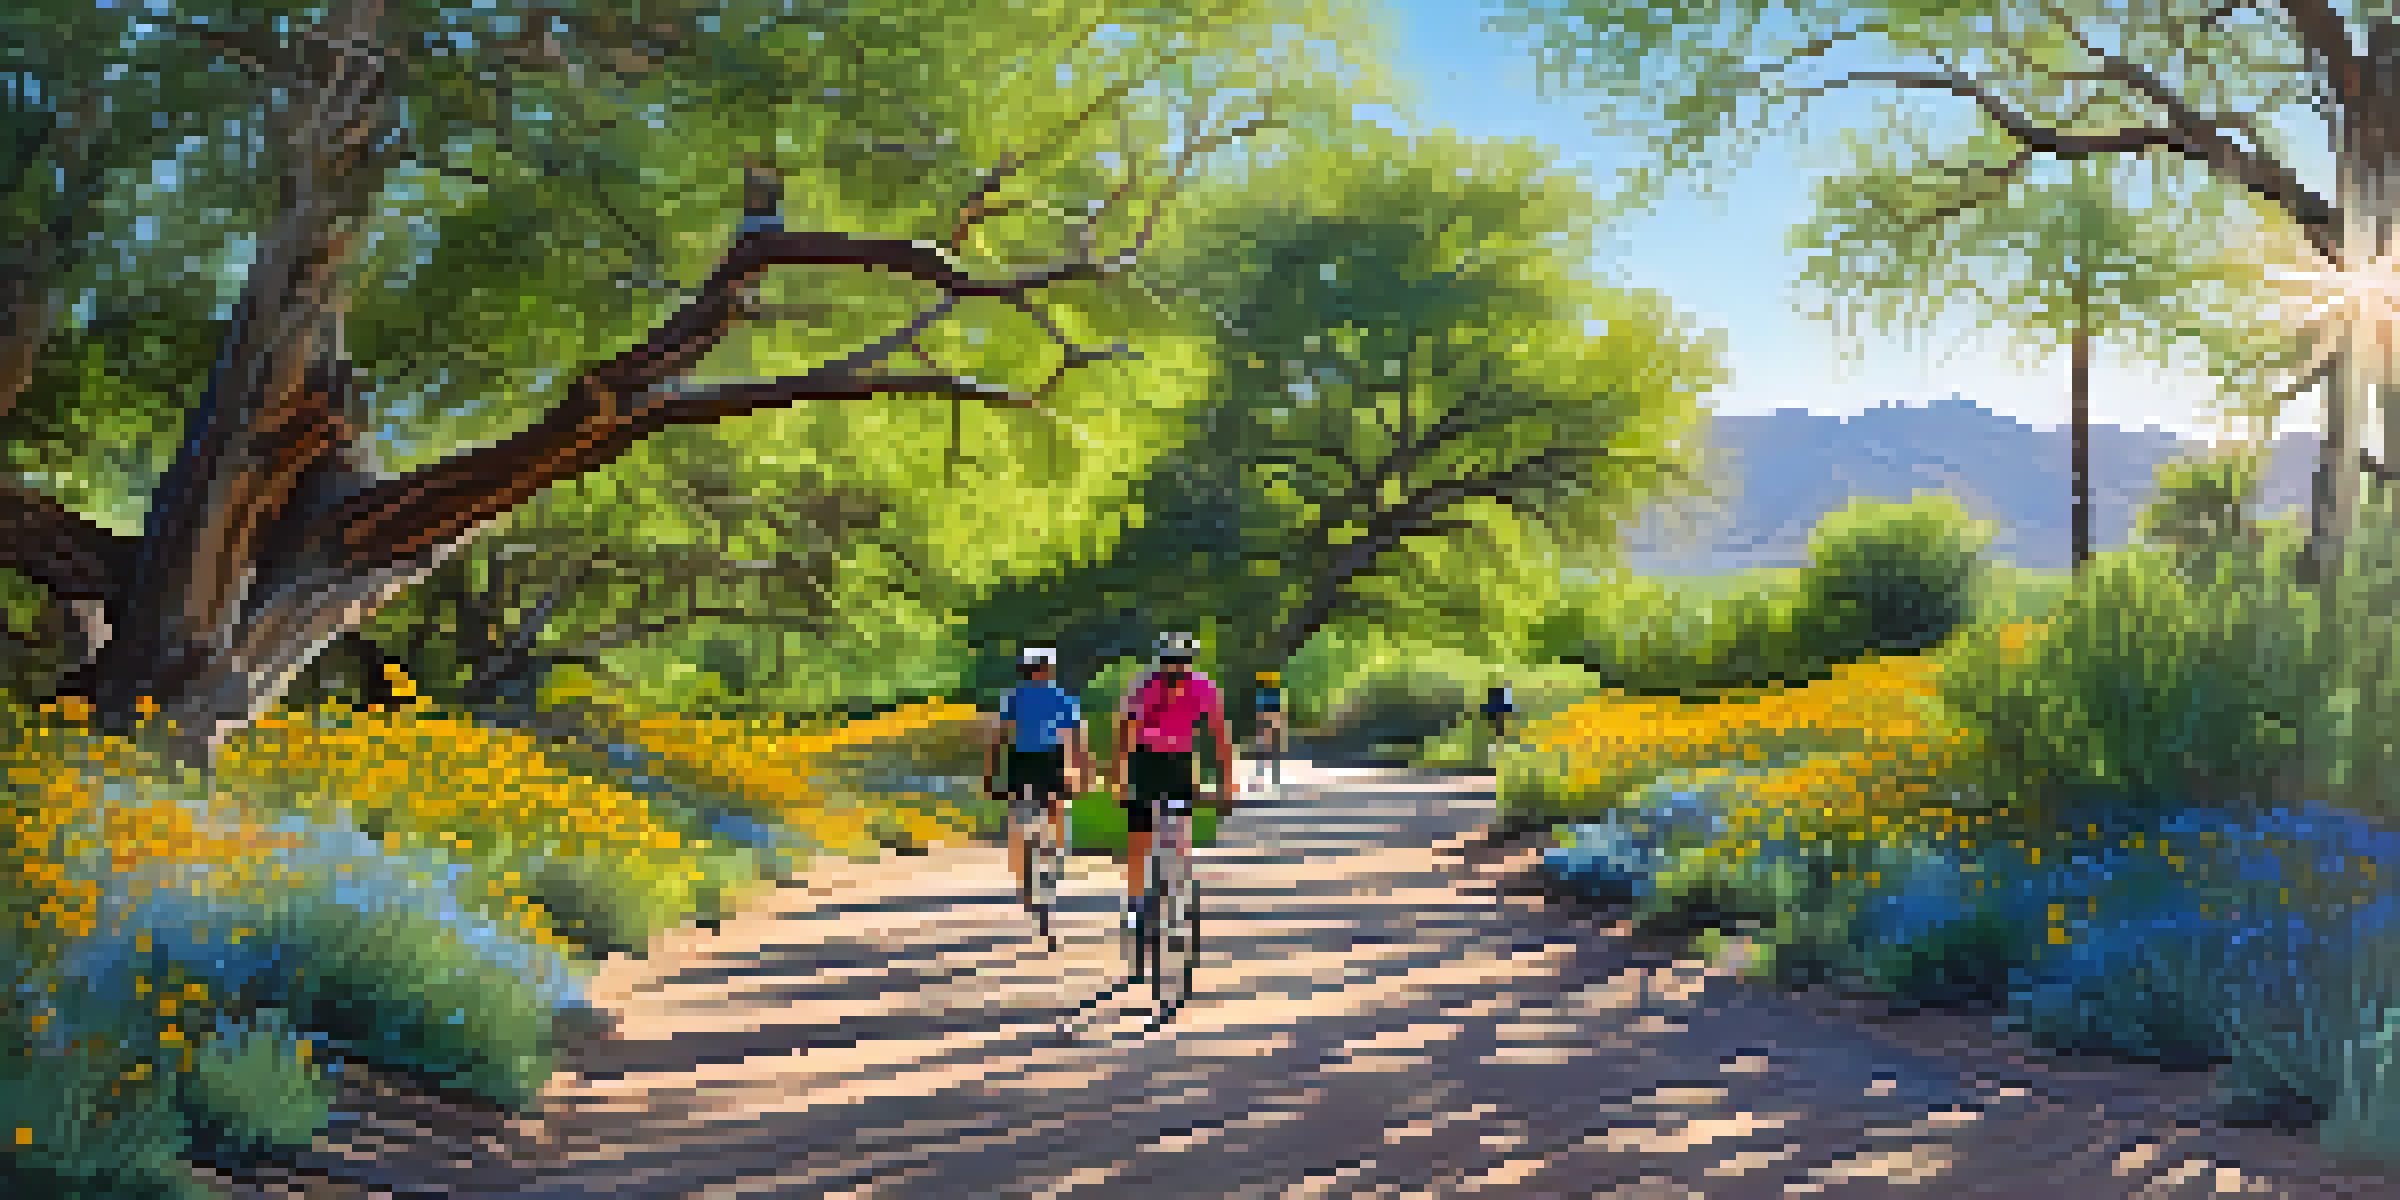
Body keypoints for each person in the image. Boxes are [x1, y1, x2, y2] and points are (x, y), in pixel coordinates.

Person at [1112, 632, 1236, 929]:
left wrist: (1227, 784)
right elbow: (1125, 732)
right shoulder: (1143, 685)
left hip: (1180, 762)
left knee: (1180, 832)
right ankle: (1135, 901)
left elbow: (1220, 735)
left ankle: (1177, 893)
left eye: (1181, 663)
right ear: (1160, 662)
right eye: (1169, 662)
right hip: (1145, 760)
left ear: (1190, 663)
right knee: (1139, 835)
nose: (1175, 669)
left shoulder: (1203, 687)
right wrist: (1120, 778)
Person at [984, 647, 1094, 900]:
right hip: (1040, 757)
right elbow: (1077, 739)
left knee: (1032, 810)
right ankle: (1049, 856)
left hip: (1030, 758)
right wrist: (1083, 771)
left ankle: (1042, 860)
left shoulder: (1021, 696)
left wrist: (991, 772)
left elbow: (998, 736)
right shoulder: (1056, 696)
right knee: (1044, 808)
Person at [1251, 670, 1285, 790]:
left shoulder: (1269, 694)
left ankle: (1271, 779)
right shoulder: (1267, 694)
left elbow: (1271, 713)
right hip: (1267, 722)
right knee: (1266, 749)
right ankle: (1269, 779)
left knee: (1268, 749)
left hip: (1268, 722)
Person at [1482, 679, 1515, 746]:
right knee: (1496, 728)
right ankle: (1495, 741)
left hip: (1497, 711)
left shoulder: (1504, 691)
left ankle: (1496, 741)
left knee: (1497, 728)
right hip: (1496, 711)